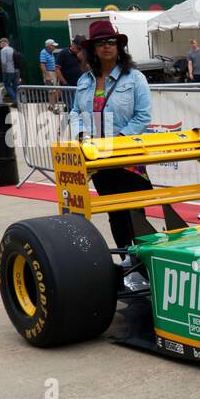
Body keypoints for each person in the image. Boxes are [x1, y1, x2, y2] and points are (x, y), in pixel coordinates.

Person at [67, 19, 154, 259]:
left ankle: (144, 263)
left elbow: (143, 115)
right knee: (115, 213)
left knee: (134, 212)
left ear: (119, 47)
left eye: (111, 42)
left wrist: (120, 141)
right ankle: (127, 261)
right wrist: (81, 133)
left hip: (127, 157)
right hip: (99, 160)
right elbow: (75, 111)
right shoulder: (85, 81)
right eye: (101, 43)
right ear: (92, 49)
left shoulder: (135, 78)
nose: (107, 46)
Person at [0, 37, 21, 102]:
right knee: (15, 87)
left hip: (8, 71)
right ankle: (18, 100)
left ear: (4, 43)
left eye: (0, 42)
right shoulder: (12, 49)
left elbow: (4, 62)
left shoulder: (3, 50)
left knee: (7, 85)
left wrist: (3, 71)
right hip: (16, 71)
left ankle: (15, 100)